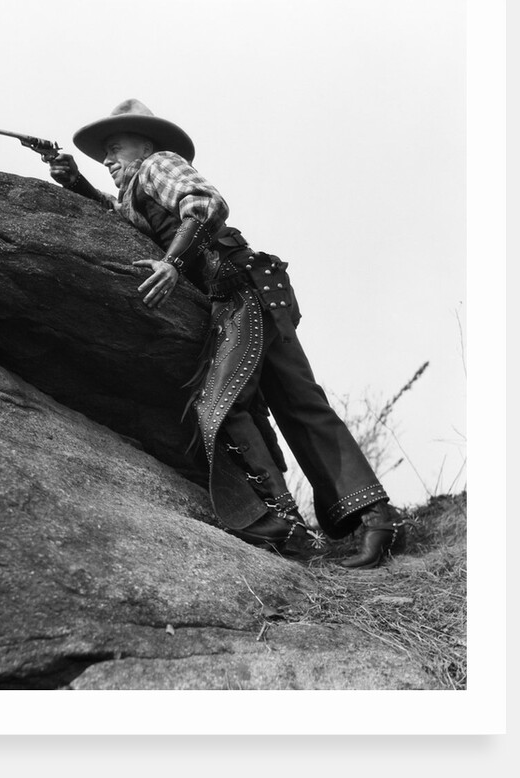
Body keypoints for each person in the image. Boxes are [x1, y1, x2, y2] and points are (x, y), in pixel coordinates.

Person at [45, 99, 406, 569]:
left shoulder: (158, 165)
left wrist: (172, 264)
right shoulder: (135, 194)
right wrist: (75, 182)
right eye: (103, 155)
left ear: (146, 145)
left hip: (239, 291)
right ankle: (377, 520)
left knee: (221, 403)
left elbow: (206, 205)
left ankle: (295, 530)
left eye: (115, 148)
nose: (108, 160)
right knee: (299, 402)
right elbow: (124, 221)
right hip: (246, 293)